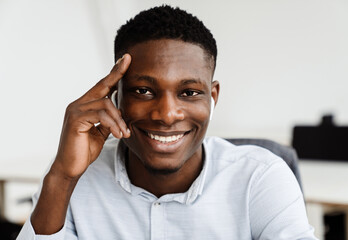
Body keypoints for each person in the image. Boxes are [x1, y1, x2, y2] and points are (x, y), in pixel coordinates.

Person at [17, 5, 317, 240]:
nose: (166, 114)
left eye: (189, 92)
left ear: (212, 97)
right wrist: (61, 177)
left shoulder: (259, 176)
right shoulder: (76, 176)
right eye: (143, 91)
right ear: (114, 95)